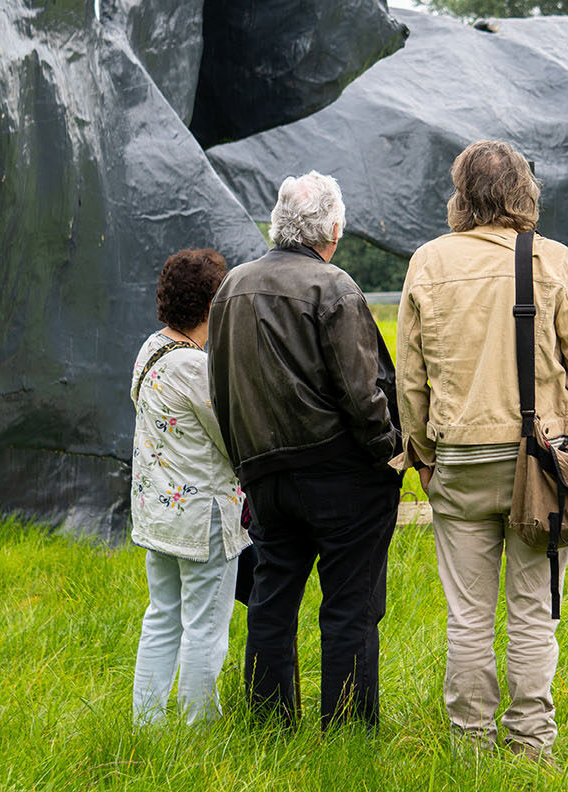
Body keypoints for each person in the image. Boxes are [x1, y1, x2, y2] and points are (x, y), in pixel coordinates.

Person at [395, 140, 568, 765]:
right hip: (543, 462)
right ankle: (531, 744)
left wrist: (422, 453)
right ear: (524, 191)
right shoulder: (554, 261)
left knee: (467, 616)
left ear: (461, 195)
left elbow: (412, 378)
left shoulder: (427, 262)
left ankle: (469, 747)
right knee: (532, 611)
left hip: (458, 462)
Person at [207, 171, 401, 730]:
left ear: (278, 223)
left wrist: (244, 459)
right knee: (349, 606)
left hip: (264, 474)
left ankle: (269, 725)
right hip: (339, 471)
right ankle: (345, 730)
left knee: (272, 599)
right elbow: (363, 391)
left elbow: (218, 386)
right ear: (333, 227)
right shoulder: (332, 287)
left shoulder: (231, 288)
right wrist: (389, 453)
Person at [129, 248, 250, 726]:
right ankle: (201, 726)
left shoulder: (151, 349)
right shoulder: (197, 367)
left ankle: (149, 723)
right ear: (211, 306)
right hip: (203, 521)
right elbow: (232, 437)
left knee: (161, 618)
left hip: (158, 517)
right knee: (205, 629)